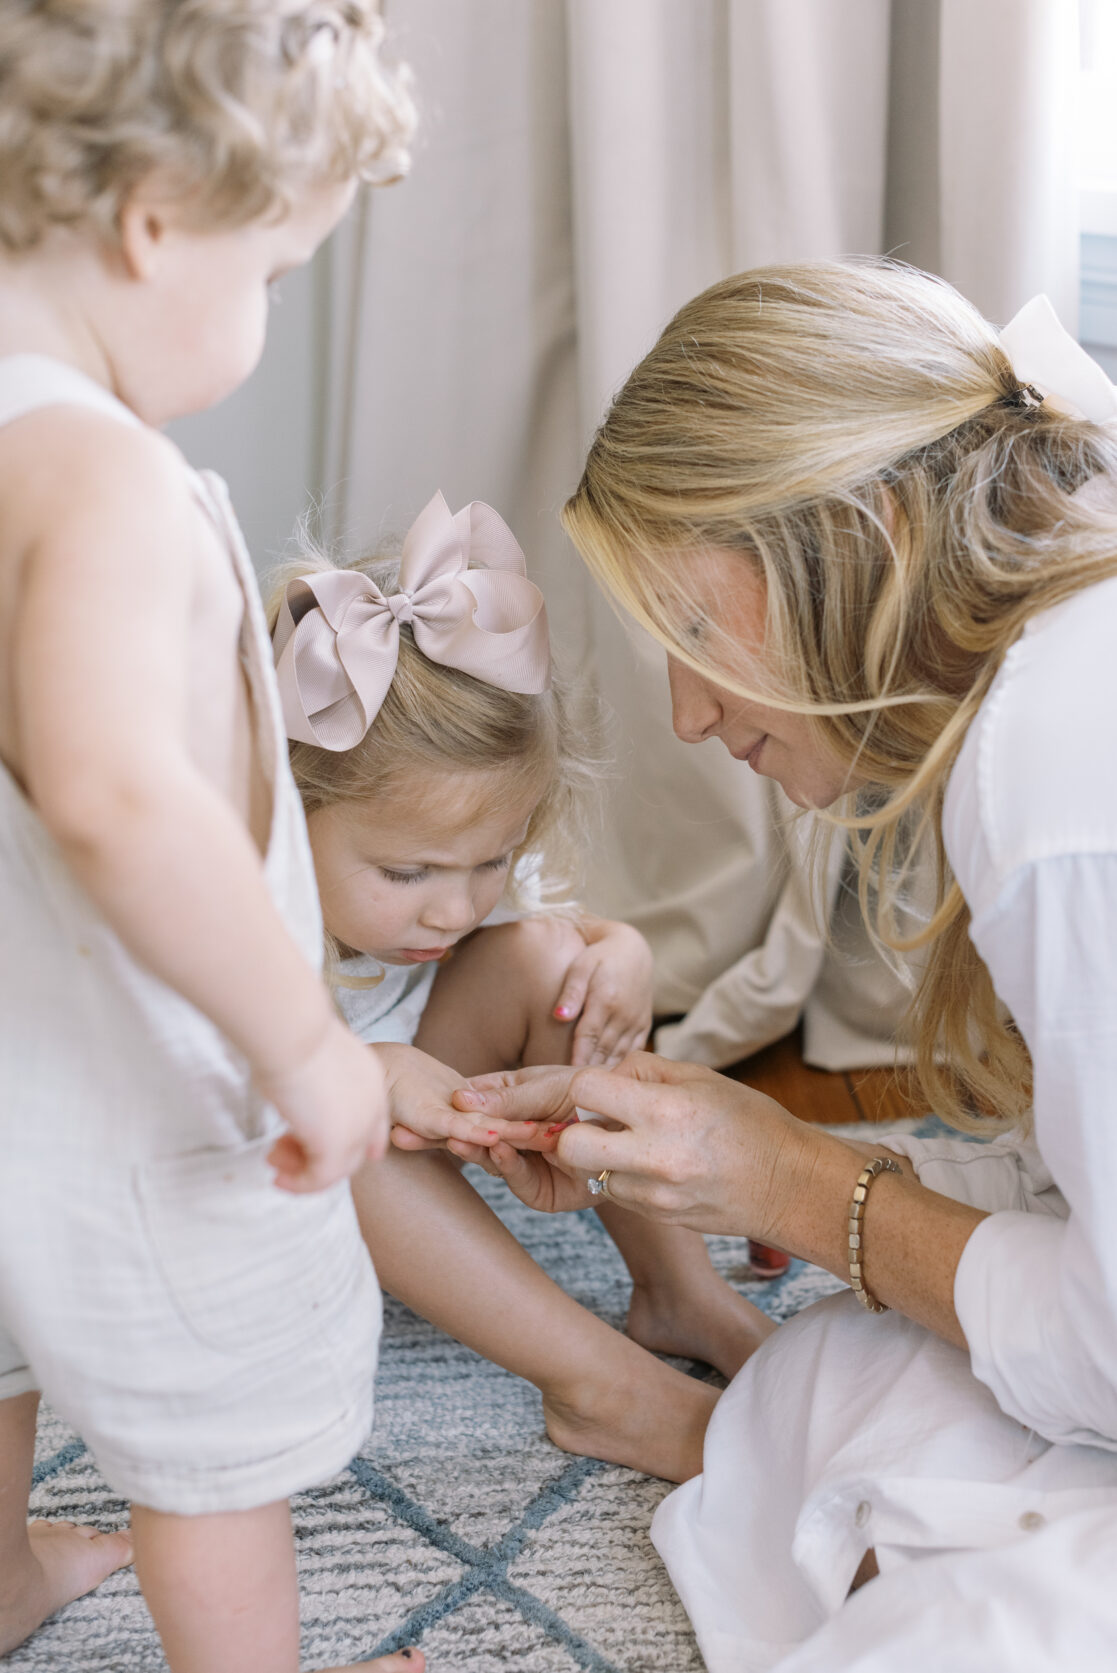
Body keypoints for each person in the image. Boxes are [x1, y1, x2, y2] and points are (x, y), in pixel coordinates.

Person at [449, 263, 1117, 1670]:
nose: (689, 713)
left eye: (694, 637)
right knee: (835, 1362)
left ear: (862, 535)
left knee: (991, 1612)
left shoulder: (1055, 791)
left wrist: (799, 1183)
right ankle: (733, 1447)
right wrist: (818, 1178)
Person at [0, 4, 438, 1668]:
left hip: (12, 1054)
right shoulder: (96, 481)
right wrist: (306, 1038)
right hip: (143, 1089)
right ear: (152, 219)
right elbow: (112, 792)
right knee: (213, 1451)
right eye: (269, 276)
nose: (264, 315)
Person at [265, 493, 773, 1483]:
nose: (453, 909)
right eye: (407, 874)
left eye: (489, 859)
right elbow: (225, 1106)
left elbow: (546, 936)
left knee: (552, 963)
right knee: (347, 1102)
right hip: (281, 1207)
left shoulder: (456, 897)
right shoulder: (236, 908)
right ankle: (604, 1389)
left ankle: (675, 1289)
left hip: (428, 1125)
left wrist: (617, 948)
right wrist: (372, 1069)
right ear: (288, 812)